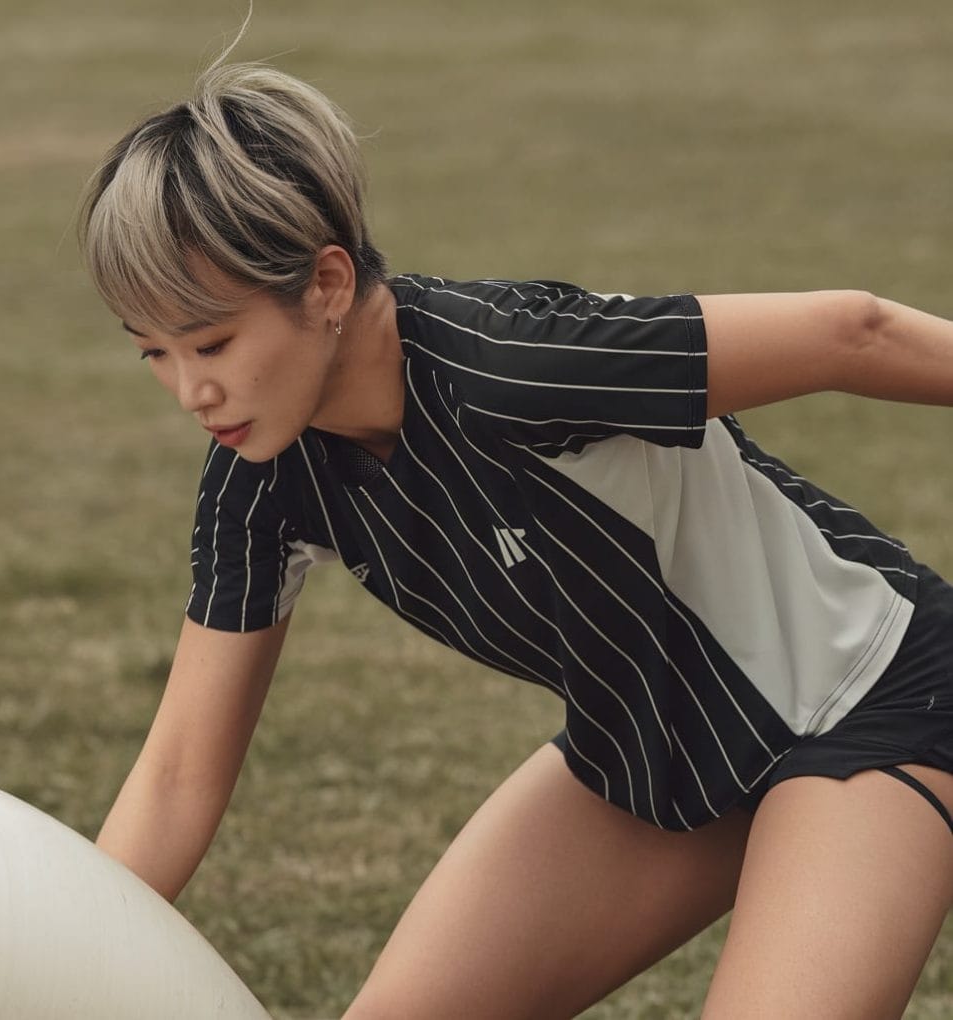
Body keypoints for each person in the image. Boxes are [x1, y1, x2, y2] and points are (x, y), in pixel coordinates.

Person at [78, 60, 953, 1020]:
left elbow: (852, 331)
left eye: (210, 344)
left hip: (871, 701)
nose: (188, 392)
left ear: (326, 283)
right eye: (152, 353)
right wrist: (48, 968)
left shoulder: (513, 367)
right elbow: (174, 780)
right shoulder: (260, 481)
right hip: (649, 755)